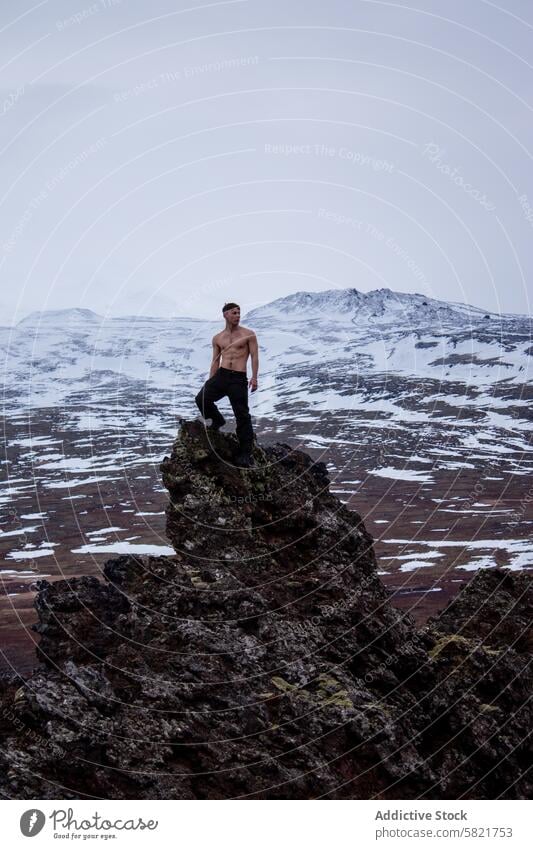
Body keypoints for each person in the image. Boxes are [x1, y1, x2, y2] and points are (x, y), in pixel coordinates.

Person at [195, 302, 259, 467]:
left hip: (238, 378)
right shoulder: (218, 338)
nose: (237, 315)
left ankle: (245, 453)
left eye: (239, 312)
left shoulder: (249, 334)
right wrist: (210, 380)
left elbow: (254, 356)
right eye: (234, 313)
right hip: (221, 376)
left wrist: (254, 377)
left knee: (242, 415)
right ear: (225, 315)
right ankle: (217, 420)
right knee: (201, 398)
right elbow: (215, 361)